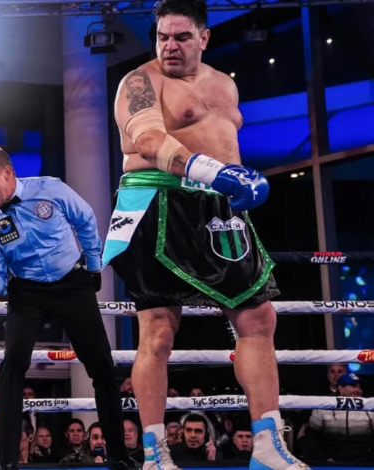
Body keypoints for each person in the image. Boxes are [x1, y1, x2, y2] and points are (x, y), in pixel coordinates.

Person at [104, 0, 310, 469]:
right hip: (159, 199)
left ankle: (267, 447)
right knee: (158, 329)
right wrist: (216, 171)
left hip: (218, 207)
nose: (169, 46)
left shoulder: (224, 84)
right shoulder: (140, 82)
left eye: (181, 37)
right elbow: (148, 141)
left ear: (204, 37)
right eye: (162, 37)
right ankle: (155, 454)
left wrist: (234, 179)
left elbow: (223, 142)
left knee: (259, 317)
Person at [0, 146, 137, 470]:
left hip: (72, 284)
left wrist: (93, 265)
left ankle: (117, 455)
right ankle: (7, 463)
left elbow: (85, 219)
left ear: (7, 173)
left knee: (103, 367)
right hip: (27, 291)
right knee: (12, 366)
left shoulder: (50, 189)